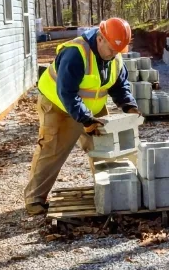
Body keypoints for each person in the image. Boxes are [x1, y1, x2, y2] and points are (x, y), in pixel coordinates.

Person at [24, 18, 140, 215]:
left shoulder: (115, 57)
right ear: (100, 38)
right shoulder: (75, 53)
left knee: (105, 148)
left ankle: (109, 191)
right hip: (58, 105)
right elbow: (66, 93)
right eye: (111, 49)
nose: (113, 55)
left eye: (117, 51)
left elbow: (120, 85)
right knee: (52, 150)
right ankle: (35, 199)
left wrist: (129, 106)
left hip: (92, 108)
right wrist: (85, 119)